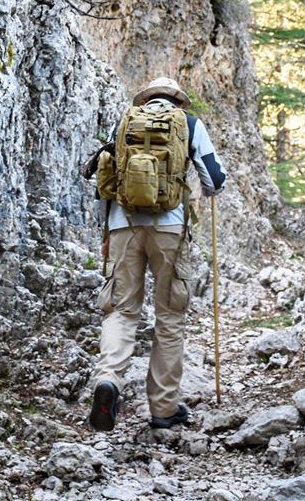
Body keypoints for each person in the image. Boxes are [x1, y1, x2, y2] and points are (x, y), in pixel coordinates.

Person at [88, 77, 227, 432]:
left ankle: (108, 382)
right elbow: (214, 179)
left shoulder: (124, 122)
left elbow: (105, 177)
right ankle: (164, 408)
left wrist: (106, 231)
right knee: (169, 317)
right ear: (178, 102)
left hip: (123, 225)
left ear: (145, 99)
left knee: (121, 310)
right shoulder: (189, 124)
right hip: (169, 229)